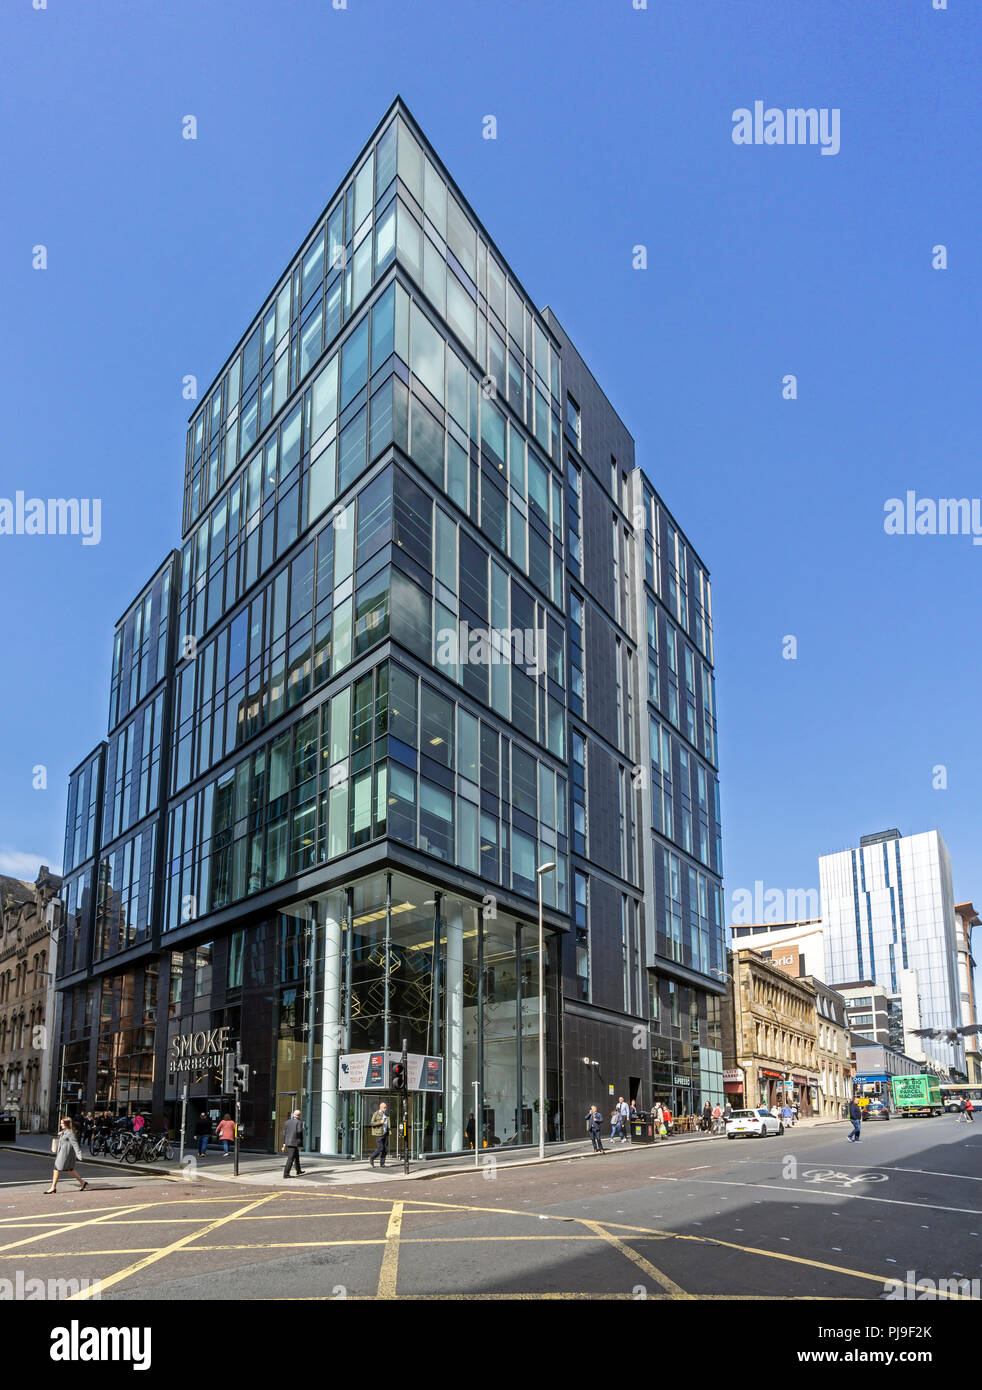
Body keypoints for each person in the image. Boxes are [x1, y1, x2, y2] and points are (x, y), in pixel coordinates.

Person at [45, 1117, 88, 1194]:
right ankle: (82, 1182)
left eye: (62, 1123)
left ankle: (53, 1187)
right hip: (62, 1153)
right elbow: (65, 1135)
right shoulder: (65, 1131)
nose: (60, 1125)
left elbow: (75, 1144)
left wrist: (79, 1155)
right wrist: (61, 1133)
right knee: (69, 1170)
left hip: (65, 1155)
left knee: (56, 1168)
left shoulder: (70, 1133)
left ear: (67, 1124)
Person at [282, 1109, 304, 1177]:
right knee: (290, 1158)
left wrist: (284, 1143)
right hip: (294, 1142)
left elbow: (284, 1133)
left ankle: (298, 1170)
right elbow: (299, 1132)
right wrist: (300, 1142)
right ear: (299, 1115)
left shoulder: (287, 1122)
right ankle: (286, 1174)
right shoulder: (299, 1122)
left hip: (288, 1142)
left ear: (293, 1114)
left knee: (296, 1157)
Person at [369, 1101, 390, 1169]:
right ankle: (372, 1158)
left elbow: (388, 1123)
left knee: (385, 1149)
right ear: (380, 1107)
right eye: (384, 1107)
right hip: (379, 1133)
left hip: (385, 1133)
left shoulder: (386, 1114)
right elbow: (372, 1123)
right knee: (381, 1148)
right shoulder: (376, 1114)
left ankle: (382, 1163)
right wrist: (380, 1122)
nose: (385, 1109)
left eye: (386, 1107)